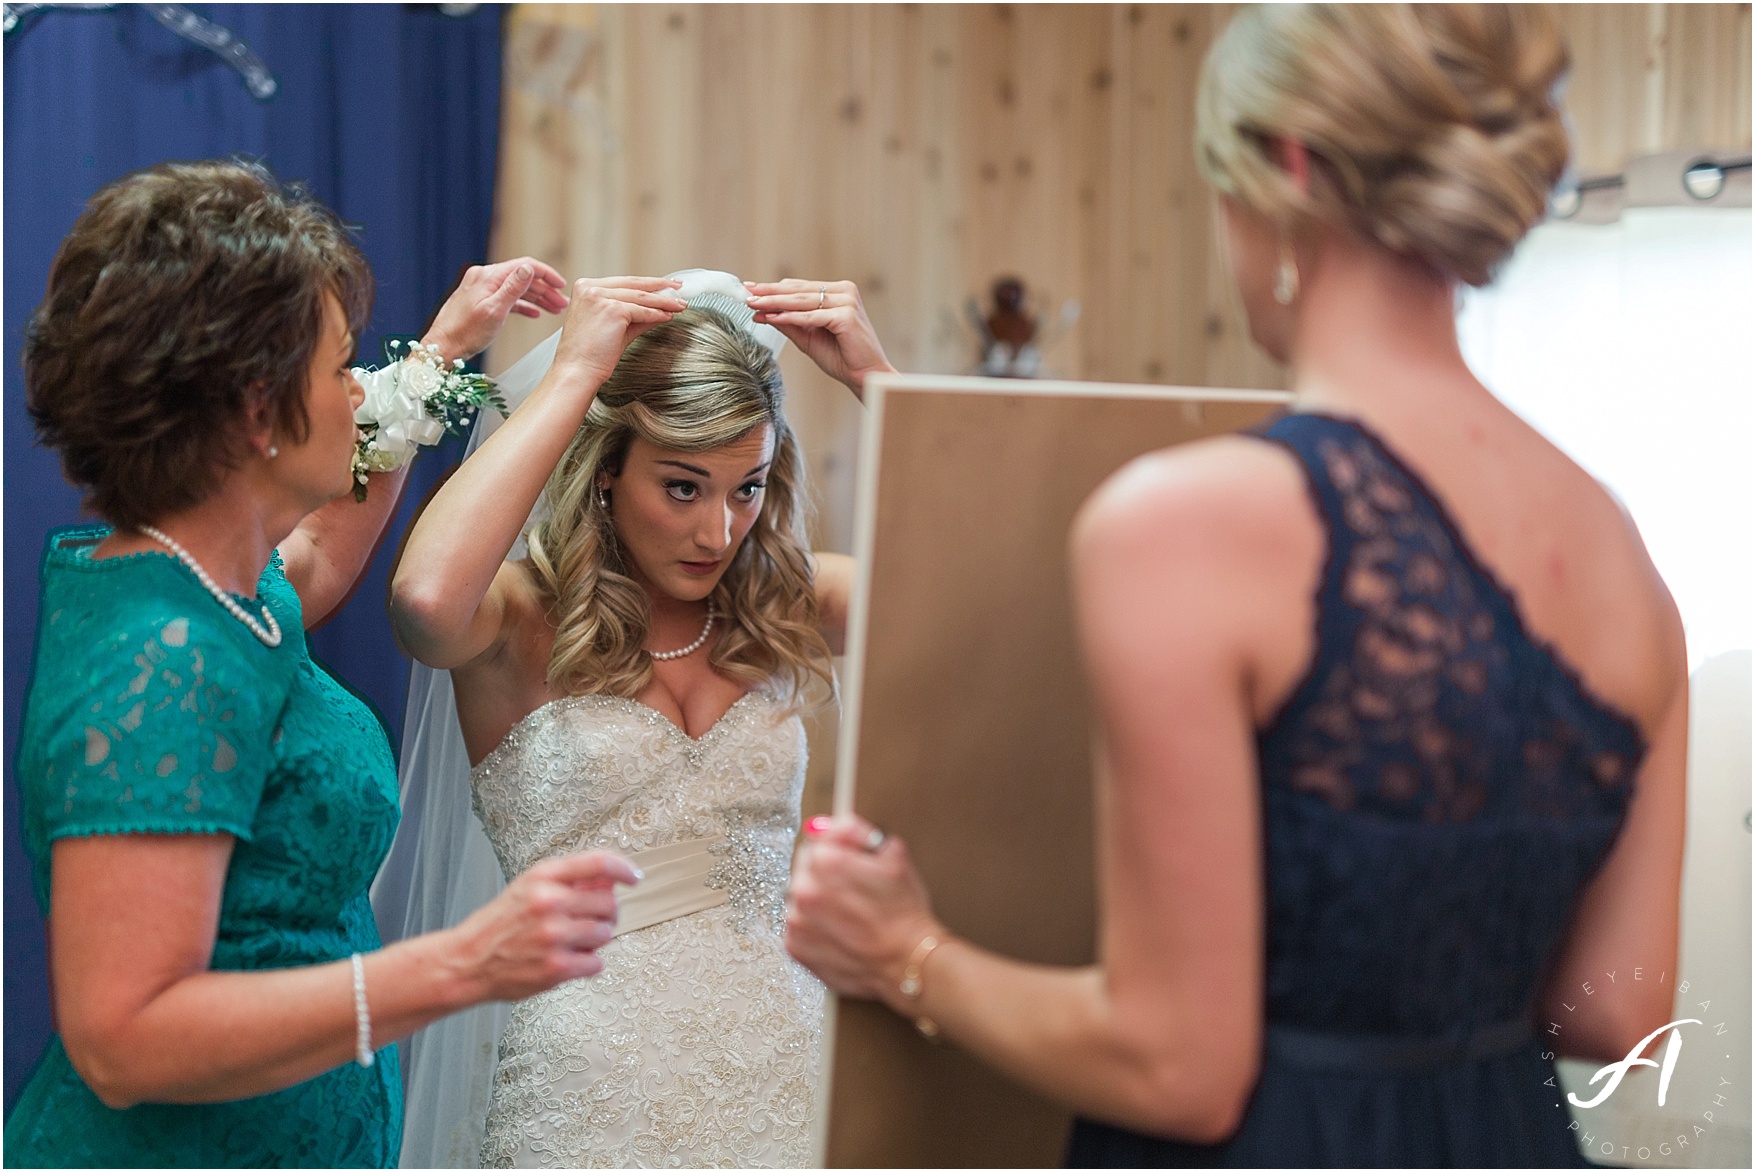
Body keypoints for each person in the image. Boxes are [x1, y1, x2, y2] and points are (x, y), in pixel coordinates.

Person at [784, 6, 1687, 1167]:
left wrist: (902, 948)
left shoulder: (1193, 521)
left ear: (1287, 172)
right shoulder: (1625, 555)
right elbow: (1622, 1011)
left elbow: (1178, 1067)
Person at [5, 158, 641, 1168]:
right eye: (344, 367)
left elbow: (318, 556)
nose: (361, 390)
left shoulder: (212, 584)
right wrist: (462, 962)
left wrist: (439, 356)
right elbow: (121, 1037)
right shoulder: (161, 654)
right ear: (260, 413)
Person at [387, 270, 894, 1167]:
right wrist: (575, 375)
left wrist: (883, 389)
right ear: (609, 468)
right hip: (587, 1095)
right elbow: (424, 601)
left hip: (790, 1070)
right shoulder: (514, 621)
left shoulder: (782, 607)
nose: (718, 532)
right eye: (684, 487)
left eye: (748, 488)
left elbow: (989, 591)